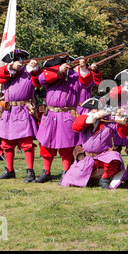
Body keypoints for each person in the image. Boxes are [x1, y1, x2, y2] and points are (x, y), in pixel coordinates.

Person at [33, 55, 95, 184]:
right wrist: (59, 71)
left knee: (66, 147)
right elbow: (41, 79)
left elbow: (86, 82)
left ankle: (66, 172)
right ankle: (46, 171)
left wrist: (83, 67)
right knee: (46, 145)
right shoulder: (51, 75)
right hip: (50, 114)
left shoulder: (74, 76)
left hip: (67, 114)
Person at [0, 49, 41, 182]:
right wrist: (11, 67)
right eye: (15, 61)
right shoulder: (8, 73)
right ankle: (9, 170)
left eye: (19, 60)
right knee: (7, 144)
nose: (19, 63)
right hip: (8, 111)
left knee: (26, 144)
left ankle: (30, 172)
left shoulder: (29, 72)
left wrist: (35, 68)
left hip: (23, 110)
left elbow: (39, 80)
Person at [61, 98, 128, 189]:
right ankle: (95, 180)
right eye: (94, 108)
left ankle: (105, 178)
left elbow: (123, 133)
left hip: (104, 157)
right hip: (87, 158)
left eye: (98, 108)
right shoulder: (86, 118)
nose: (95, 110)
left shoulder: (110, 120)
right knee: (72, 178)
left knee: (115, 158)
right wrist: (96, 116)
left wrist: (122, 120)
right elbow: (75, 126)